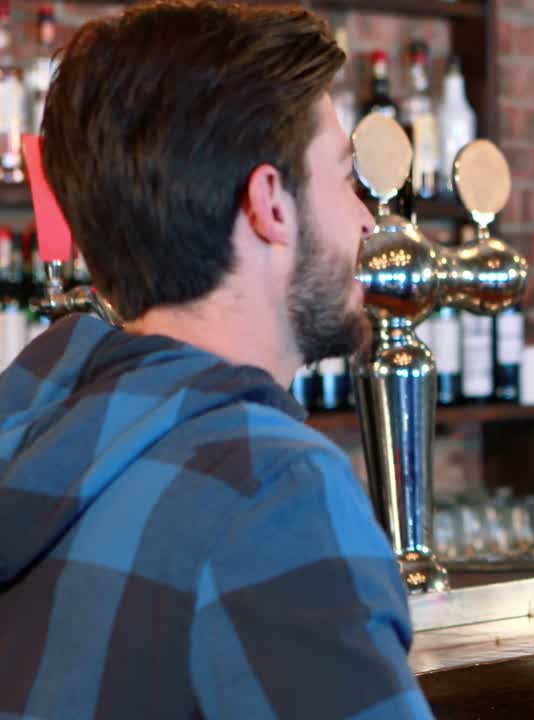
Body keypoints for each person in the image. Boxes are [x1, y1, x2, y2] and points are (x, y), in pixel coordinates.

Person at [0, 2, 433, 718]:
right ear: (270, 204)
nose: (366, 219)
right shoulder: (274, 491)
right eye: (345, 176)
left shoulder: (34, 433)